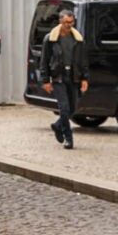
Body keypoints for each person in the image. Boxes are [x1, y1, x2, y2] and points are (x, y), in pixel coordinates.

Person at [40, 10, 89, 149]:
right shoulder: (50, 39)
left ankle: (57, 125)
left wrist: (85, 78)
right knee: (64, 108)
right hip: (58, 77)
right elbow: (44, 61)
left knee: (73, 108)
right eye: (66, 22)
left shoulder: (78, 39)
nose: (69, 25)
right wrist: (45, 80)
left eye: (71, 22)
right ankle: (69, 138)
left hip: (74, 77)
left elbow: (83, 60)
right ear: (60, 21)